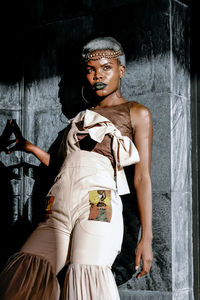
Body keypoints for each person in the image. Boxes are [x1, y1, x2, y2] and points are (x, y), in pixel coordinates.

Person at [0, 36, 153, 300]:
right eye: (91, 70)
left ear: (121, 70)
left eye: (106, 67)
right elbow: (60, 167)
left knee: (86, 278)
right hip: (57, 203)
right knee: (23, 277)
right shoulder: (78, 120)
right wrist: (31, 148)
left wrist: (147, 237)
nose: (98, 76)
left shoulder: (136, 112)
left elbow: (142, 177)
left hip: (98, 200)